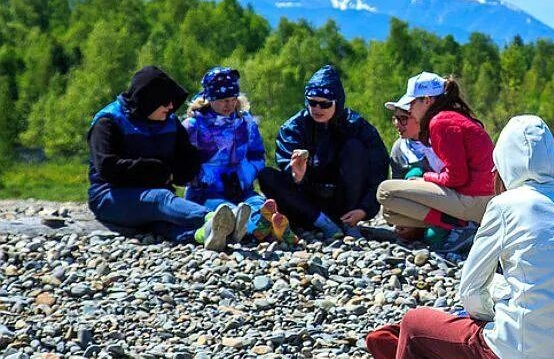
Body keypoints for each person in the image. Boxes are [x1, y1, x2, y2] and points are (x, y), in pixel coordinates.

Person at [366, 115, 554, 359]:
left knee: (414, 323)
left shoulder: (505, 205)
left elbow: (470, 291)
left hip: (520, 357)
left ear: (503, 163)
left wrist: (487, 314)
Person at [87, 66, 240, 250]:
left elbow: (189, 158)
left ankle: (206, 235)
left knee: (164, 225)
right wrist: (158, 171)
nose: (170, 107)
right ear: (149, 100)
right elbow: (107, 167)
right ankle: (214, 218)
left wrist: (176, 174)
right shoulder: (108, 121)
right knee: (160, 199)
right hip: (109, 196)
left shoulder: (169, 121)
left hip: (153, 198)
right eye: (166, 102)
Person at [257, 65, 389, 239]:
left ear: (337, 102)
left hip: (344, 201)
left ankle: (346, 222)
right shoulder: (292, 128)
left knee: (354, 148)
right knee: (266, 174)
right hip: (307, 202)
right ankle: (321, 223)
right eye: (312, 102)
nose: (318, 108)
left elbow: (378, 169)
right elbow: (286, 170)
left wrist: (364, 209)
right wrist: (296, 174)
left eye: (325, 104)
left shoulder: (357, 127)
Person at [183, 66, 296, 247]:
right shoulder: (193, 126)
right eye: (223, 100)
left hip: (241, 188)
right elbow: (183, 163)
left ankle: (267, 224)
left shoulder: (245, 122)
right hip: (206, 193)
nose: (229, 105)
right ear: (210, 99)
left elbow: (257, 154)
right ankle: (264, 230)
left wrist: (245, 175)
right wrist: (202, 178)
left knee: (256, 203)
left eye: (233, 99)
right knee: (226, 212)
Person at [376, 72, 494, 244]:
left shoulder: (440, 122)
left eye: (411, 102)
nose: (409, 109)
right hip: (481, 198)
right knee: (390, 213)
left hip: (475, 201)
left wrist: (425, 178)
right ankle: (457, 225)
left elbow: (456, 178)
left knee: (385, 191)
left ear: (427, 100)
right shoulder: (451, 117)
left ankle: (461, 226)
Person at [384, 102, 444, 181]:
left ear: (419, 118)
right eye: (395, 118)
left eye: (403, 119)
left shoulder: (441, 140)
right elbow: (397, 184)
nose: (397, 124)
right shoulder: (399, 148)